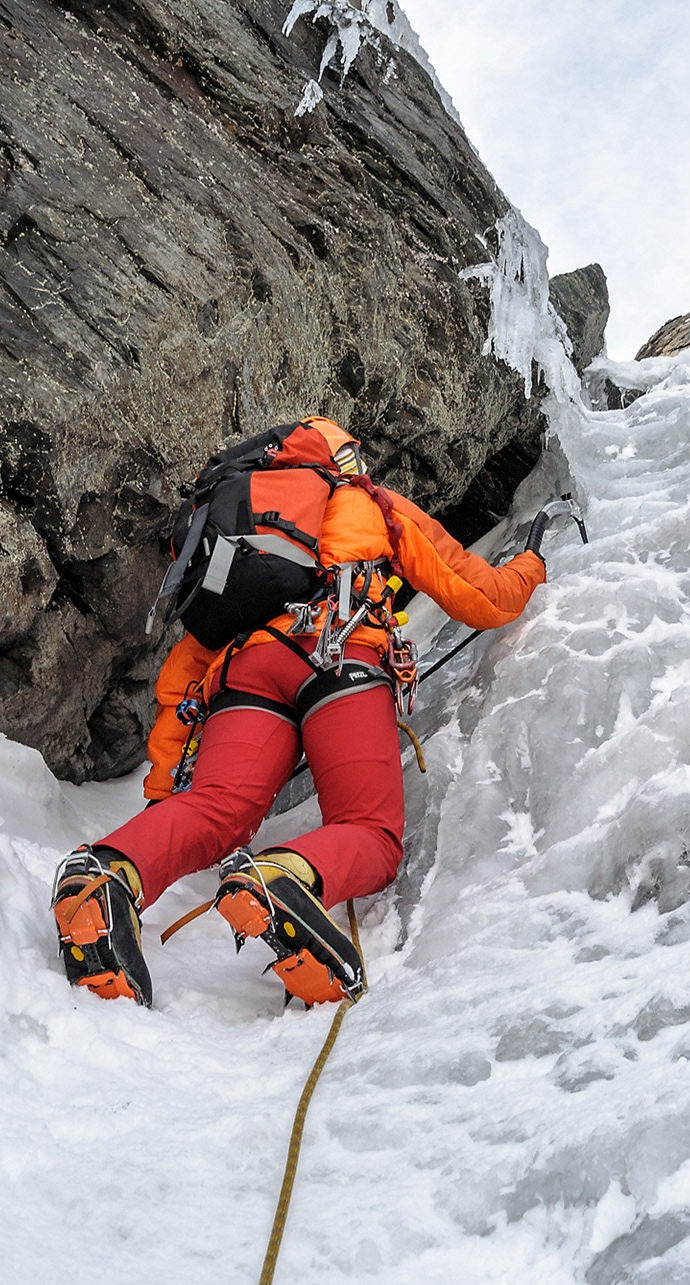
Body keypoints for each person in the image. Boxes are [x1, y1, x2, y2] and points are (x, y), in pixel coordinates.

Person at [51, 417, 547, 1009]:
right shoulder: (369, 503)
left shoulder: (235, 538)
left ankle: (107, 876)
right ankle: (286, 877)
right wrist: (533, 566)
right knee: (371, 831)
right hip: (340, 657)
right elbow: (484, 598)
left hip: (245, 672)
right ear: (340, 459)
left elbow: (181, 679)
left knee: (217, 811)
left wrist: (167, 802)